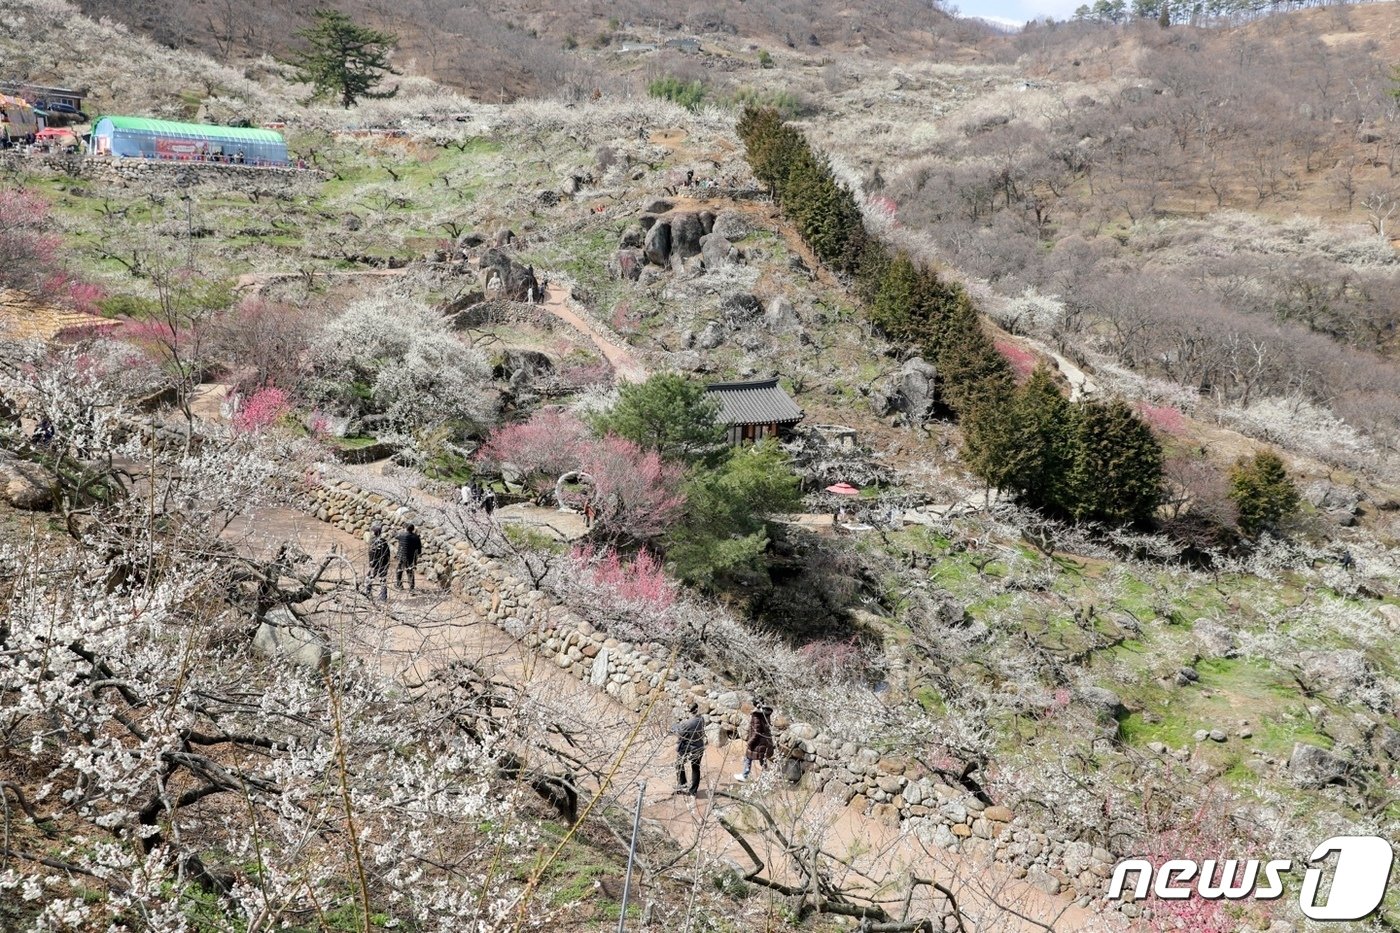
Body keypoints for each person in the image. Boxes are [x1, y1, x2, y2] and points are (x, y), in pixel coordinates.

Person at [735, 701, 775, 782]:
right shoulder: (766, 714)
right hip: (765, 742)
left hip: (757, 743)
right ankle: (766, 777)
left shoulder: (756, 715)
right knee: (762, 759)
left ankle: (745, 775)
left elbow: (756, 732)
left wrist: (750, 742)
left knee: (748, 757)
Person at [672, 703, 705, 796]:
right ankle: (693, 791)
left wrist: (676, 727)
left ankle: (682, 784)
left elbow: (680, 733)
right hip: (699, 747)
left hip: (689, 748)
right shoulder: (701, 719)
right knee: (696, 768)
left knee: (679, 764)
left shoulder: (687, 723)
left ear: (689, 711)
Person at [394, 523, 423, 591]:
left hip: (402, 556)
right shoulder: (416, 537)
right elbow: (419, 550)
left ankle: (399, 585)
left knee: (399, 571)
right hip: (411, 557)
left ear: (406, 528)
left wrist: (394, 529)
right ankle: (411, 588)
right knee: (410, 572)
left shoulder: (402, 535)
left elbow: (395, 536)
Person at [366, 524, 390, 601]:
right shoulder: (384, 541)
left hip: (375, 564)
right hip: (383, 563)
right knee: (383, 579)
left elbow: (371, 554)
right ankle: (383, 597)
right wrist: (387, 562)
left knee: (369, 578)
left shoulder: (372, 542)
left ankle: (368, 593)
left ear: (374, 532)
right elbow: (388, 553)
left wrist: (371, 563)